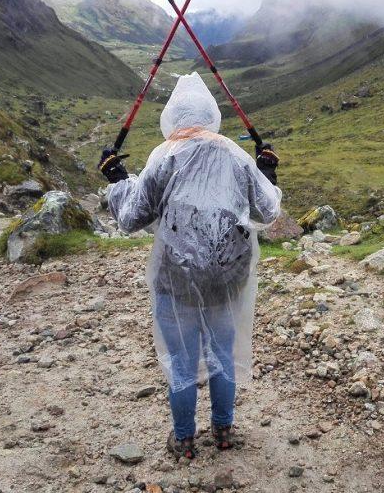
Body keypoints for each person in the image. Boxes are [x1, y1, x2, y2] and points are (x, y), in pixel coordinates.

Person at [98, 73, 282, 459]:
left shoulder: (163, 155)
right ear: (212, 114)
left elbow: (131, 218)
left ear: (171, 117)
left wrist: (117, 179)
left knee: (181, 360)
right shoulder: (234, 153)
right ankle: (224, 431)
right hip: (227, 274)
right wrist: (267, 171)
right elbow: (267, 209)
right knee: (222, 353)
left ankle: (183, 439)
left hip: (175, 277)